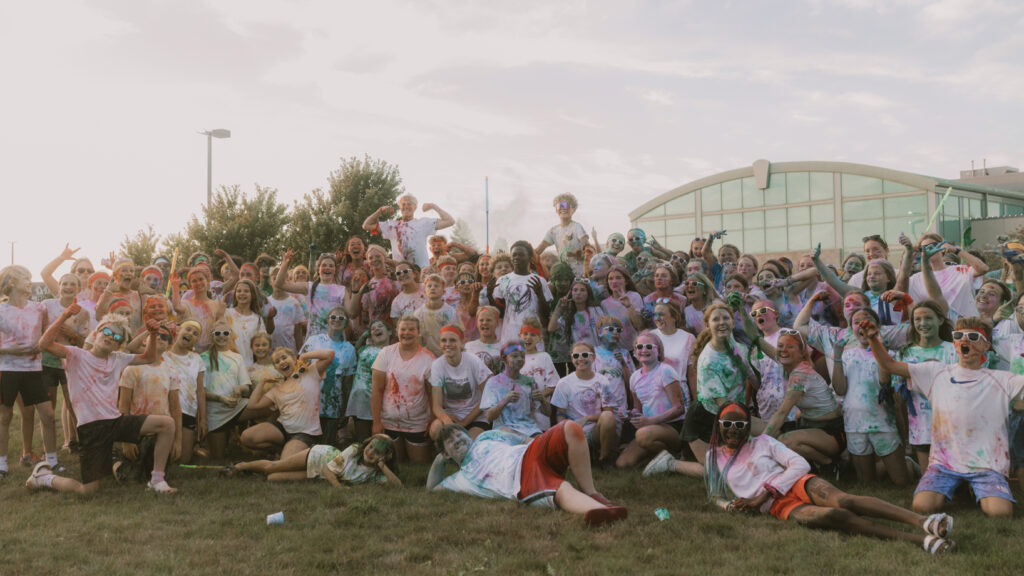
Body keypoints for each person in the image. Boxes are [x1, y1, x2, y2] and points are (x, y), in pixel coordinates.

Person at [702, 403, 956, 555]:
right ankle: (923, 541)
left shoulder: (763, 442)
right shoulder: (713, 457)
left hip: (794, 483)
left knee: (843, 500)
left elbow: (799, 463)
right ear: (718, 426)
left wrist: (764, 494)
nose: (733, 430)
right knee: (836, 517)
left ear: (748, 426)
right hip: (779, 506)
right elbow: (715, 495)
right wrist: (731, 506)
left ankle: (925, 522)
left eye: (740, 425)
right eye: (727, 424)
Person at [863, 316, 1024, 518]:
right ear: (955, 342)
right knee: (922, 507)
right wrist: (872, 339)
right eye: (959, 336)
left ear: (985, 345)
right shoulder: (936, 372)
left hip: (987, 464)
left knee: (1000, 514)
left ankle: (973, 488)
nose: (965, 341)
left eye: (974, 337)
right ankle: (960, 488)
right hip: (945, 463)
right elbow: (890, 365)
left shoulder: (1003, 379)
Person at [31, 305, 178, 494]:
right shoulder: (76, 355)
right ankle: (43, 478)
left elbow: (149, 356)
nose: (110, 337)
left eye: (117, 337)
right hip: (91, 429)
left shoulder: (118, 358)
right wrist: (64, 316)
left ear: (119, 345)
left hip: (115, 422)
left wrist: (152, 334)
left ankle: (157, 480)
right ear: (97, 333)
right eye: (107, 331)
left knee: (167, 424)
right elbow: (44, 344)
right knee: (88, 491)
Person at [427, 421, 627, 526]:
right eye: (450, 442)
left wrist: (545, 445)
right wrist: (439, 459)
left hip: (531, 454)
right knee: (560, 488)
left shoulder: (486, 437)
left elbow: (524, 440)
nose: (457, 439)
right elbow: (432, 488)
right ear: (446, 453)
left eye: (458, 434)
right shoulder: (461, 478)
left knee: (570, 428)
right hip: (521, 482)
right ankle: (603, 512)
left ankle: (592, 492)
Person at [831, 309, 909, 486]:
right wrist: (836, 356)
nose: (862, 325)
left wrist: (879, 347)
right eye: (857, 322)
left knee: (901, 482)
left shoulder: (890, 355)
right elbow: (840, 390)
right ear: (851, 329)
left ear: (878, 327)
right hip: (854, 424)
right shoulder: (846, 355)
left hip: (883, 422)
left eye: (867, 320)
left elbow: (885, 384)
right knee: (866, 483)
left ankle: (909, 464)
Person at [1, 265, 61, 478]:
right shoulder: (1, 311)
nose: (29, 281)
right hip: (6, 370)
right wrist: (7, 349)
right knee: (4, 417)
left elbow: (46, 333)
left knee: (48, 415)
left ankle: (52, 461)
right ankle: (2, 465)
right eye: (24, 278)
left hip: (35, 369)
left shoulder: (38, 308)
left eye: (29, 277)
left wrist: (42, 345)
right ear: (11, 282)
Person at [892, 300, 956, 474]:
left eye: (928, 318)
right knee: (928, 477)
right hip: (921, 423)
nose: (922, 324)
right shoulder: (905, 353)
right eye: (917, 319)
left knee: (954, 477)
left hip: (951, 424)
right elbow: (897, 395)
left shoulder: (954, 350)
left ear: (940, 320)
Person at [683, 303, 752, 463]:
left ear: (733, 322)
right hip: (708, 419)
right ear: (707, 325)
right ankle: (672, 464)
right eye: (716, 319)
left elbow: (753, 380)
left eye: (726, 318)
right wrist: (751, 432)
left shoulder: (738, 347)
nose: (722, 322)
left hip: (732, 415)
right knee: (717, 470)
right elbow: (725, 406)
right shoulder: (708, 361)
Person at [113, 326, 182, 483]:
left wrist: (177, 440)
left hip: (161, 433)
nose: (159, 338)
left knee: (153, 474)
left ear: (169, 346)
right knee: (129, 480)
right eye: (155, 334)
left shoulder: (171, 371)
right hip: (136, 431)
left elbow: (176, 408)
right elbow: (123, 405)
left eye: (164, 337)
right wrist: (127, 441)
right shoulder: (132, 369)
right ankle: (115, 461)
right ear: (145, 340)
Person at [241, 347, 335, 459]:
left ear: (295, 359)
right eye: (277, 362)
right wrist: (262, 382)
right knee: (247, 437)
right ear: (276, 368)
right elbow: (252, 405)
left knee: (286, 461)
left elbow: (329, 354)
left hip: (304, 432)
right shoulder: (278, 388)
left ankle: (292, 451)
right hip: (282, 429)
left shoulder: (310, 373)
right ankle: (279, 449)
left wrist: (304, 356)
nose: (281, 362)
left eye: (284, 357)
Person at [371, 315, 435, 463]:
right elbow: (377, 390)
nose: (407, 333)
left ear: (418, 332)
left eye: (411, 329)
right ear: (397, 331)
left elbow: (432, 393)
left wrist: (433, 419)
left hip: (417, 423)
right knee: (394, 463)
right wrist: (376, 422)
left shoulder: (428, 358)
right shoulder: (386, 353)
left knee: (420, 465)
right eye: (403, 329)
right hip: (389, 421)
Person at [616, 331, 686, 469]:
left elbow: (679, 408)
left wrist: (651, 421)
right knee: (622, 464)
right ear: (635, 351)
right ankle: (656, 457)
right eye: (639, 347)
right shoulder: (634, 377)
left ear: (658, 351)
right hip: (648, 428)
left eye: (649, 347)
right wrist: (629, 415)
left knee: (642, 435)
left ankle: (675, 457)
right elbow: (638, 408)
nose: (644, 350)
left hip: (672, 427)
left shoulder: (666, 371)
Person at [227, 434, 401, 487]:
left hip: (321, 474)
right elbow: (327, 470)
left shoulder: (374, 473)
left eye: (377, 452)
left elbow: (398, 487)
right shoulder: (355, 450)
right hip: (320, 457)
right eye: (370, 446)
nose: (370, 452)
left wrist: (382, 465)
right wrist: (339, 488)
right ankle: (240, 466)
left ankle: (252, 472)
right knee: (272, 468)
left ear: (386, 456)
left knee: (273, 479)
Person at [551, 342, 618, 467]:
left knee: (608, 417)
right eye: (576, 356)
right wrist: (566, 433)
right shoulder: (564, 383)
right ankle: (580, 453)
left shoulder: (602, 381)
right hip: (574, 431)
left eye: (585, 355)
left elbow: (608, 412)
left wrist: (587, 418)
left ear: (593, 357)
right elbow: (560, 415)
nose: (580, 359)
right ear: (571, 359)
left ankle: (603, 459)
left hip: (596, 430)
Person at [300, 306, 357, 447]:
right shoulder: (314, 340)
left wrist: (345, 410)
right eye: (333, 317)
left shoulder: (349, 349)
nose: (336, 320)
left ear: (346, 323)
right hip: (309, 400)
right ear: (327, 320)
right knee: (306, 441)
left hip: (333, 404)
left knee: (326, 445)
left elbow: (347, 382)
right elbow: (300, 366)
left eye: (341, 318)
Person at [274, 250, 357, 340]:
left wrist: (356, 291)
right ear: (318, 269)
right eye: (324, 265)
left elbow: (352, 313)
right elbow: (279, 284)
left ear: (335, 270)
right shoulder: (309, 286)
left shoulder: (342, 290)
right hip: (314, 341)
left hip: (335, 341)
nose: (327, 268)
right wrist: (286, 263)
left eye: (331, 266)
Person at [428, 325, 492, 440]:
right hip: (452, 415)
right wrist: (446, 420)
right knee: (435, 430)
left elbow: (487, 398)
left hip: (476, 416)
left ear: (462, 343)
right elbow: (436, 406)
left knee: (469, 442)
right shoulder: (437, 365)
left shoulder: (473, 361)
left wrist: (465, 422)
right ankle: (445, 456)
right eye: (443, 340)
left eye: (453, 340)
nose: (447, 344)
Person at [363, 194, 455, 268]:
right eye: (403, 204)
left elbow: (450, 221)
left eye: (409, 204)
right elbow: (366, 225)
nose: (406, 206)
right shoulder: (392, 226)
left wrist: (433, 206)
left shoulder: (423, 223)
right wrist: (380, 210)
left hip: (422, 272)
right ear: (400, 207)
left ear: (415, 207)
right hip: (401, 273)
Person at [481, 340, 548, 438]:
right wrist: (505, 400)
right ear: (504, 358)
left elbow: (547, 413)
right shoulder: (493, 382)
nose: (520, 359)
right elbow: (489, 416)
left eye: (522, 356)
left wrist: (542, 399)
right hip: (504, 429)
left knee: (542, 444)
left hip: (530, 429)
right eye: (515, 356)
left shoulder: (529, 382)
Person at [491, 241, 553, 347]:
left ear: (529, 257)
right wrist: (489, 296)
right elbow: (500, 313)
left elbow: (546, 313)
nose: (516, 258)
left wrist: (540, 295)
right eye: (514, 255)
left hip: (532, 335)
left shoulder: (539, 281)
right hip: (510, 335)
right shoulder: (503, 280)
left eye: (521, 255)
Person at [163, 320, 207, 464]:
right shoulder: (163, 354)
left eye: (195, 334)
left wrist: (202, 419)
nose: (190, 334)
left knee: (183, 460)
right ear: (178, 331)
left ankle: (192, 446)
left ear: (196, 341)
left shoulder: (197, 359)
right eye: (188, 329)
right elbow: (133, 347)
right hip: (166, 409)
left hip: (188, 411)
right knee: (166, 457)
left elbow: (200, 391)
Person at [347, 320, 392, 442]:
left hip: (378, 401)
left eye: (380, 326)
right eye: (373, 329)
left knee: (378, 437)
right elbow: (355, 348)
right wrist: (364, 335)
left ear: (390, 332)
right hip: (359, 399)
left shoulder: (393, 352)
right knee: (363, 439)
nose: (376, 329)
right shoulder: (366, 349)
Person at [535, 193, 589, 276]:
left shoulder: (577, 227)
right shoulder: (553, 231)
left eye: (568, 205)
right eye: (560, 205)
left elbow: (588, 248)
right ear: (556, 210)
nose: (564, 208)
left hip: (579, 273)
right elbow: (538, 250)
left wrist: (582, 259)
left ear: (574, 209)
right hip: (564, 274)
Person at [413, 274, 461, 357]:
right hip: (426, 357)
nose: (432, 288)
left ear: (443, 291)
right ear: (424, 291)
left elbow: (456, 335)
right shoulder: (418, 314)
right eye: (429, 286)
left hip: (447, 355)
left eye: (436, 286)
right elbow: (418, 340)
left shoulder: (450, 312)